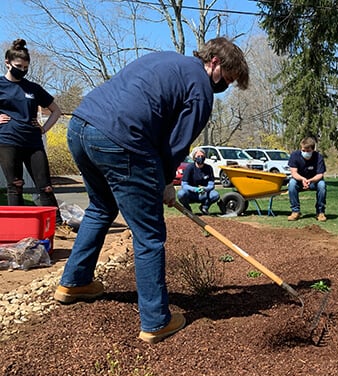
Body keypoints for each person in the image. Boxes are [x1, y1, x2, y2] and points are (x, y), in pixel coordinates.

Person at [52, 37, 249, 343]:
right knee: (150, 234)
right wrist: (166, 182)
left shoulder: (168, 60)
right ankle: (156, 320)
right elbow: (175, 145)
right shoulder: (200, 89)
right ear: (215, 63)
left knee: (101, 208)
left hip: (80, 127)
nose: (224, 86)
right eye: (227, 78)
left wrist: (160, 179)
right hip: (121, 139)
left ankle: (74, 283)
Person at [0, 39, 73, 239]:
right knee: (15, 185)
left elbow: (55, 110)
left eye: (25, 67)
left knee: (45, 185)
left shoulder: (33, 88)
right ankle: (18, 230)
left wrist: (43, 130)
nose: (22, 70)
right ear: (7, 63)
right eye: (18, 67)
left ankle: (57, 226)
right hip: (7, 141)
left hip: (33, 142)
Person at [287, 136, 327, 222]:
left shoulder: (318, 157)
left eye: (308, 151)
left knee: (322, 185)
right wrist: (302, 179)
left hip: (314, 181)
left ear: (313, 149)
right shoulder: (295, 155)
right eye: (303, 150)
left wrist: (310, 180)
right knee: (292, 184)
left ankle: (320, 212)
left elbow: (320, 174)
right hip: (299, 181)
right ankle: (295, 211)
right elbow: (293, 172)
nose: (305, 152)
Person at [177, 148, 224, 215]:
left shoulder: (208, 168)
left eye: (202, 156)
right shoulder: (189, 168)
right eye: (198, 156)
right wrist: (195, 189)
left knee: (215, 195)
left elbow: (211, 184)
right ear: (194, 158)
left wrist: (205, 188)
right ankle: (187, 208)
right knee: (181, 194)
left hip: (203, 193)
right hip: (191, 193)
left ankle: (204, 207)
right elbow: (184, 185)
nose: (200, 158)